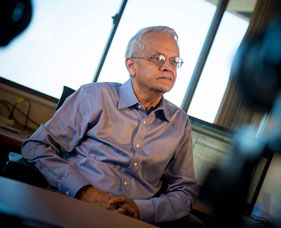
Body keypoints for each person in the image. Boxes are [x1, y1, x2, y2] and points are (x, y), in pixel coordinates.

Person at [21, 26, 198, 225]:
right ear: (131, 66)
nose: (168, 67)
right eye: (158, 58)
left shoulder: (180, 123)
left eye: (174, 61)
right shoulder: (93, 97)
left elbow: (185, 191)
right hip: (71, 211)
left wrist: (142, 210)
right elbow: (36, 146)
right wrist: (82, 190)